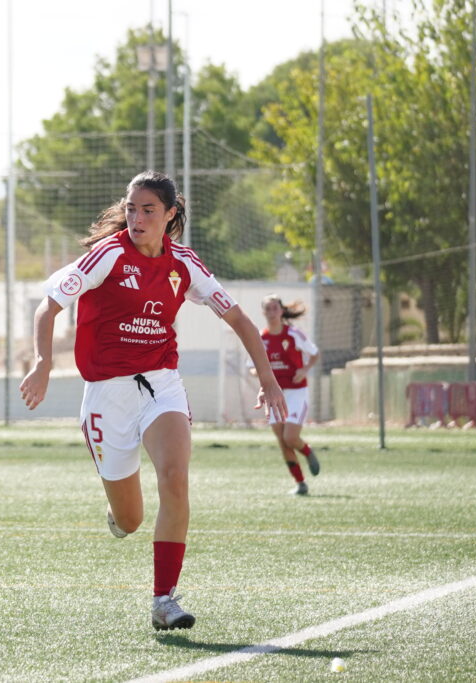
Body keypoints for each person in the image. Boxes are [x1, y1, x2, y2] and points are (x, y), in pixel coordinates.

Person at [18, 171, 287, 631]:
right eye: (131, 209)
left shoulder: (184, 263)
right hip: (108, 393)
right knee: (131, 518)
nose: (137, 218)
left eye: (148, 210)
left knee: (175, 477)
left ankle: (164, 600)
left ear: (169, 215)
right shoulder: (106, 255)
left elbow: (239, 318)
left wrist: (268, 377)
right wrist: (43, 362)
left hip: (161, 383)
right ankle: (118, 513)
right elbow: (49, 306)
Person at [249, 295, 321, 495]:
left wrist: (304, 369)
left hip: (296, 392)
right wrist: (261, 373)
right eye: (268, 309)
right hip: (274, 395)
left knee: (290, 437)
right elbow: (251, 367)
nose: (272, 312)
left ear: (281, 311)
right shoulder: (261, 339)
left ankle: (307, 451)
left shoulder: (294, 334)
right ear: (263, 313)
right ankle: (300, 483)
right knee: (282, 440)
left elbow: (315, 353)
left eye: (275, 308)